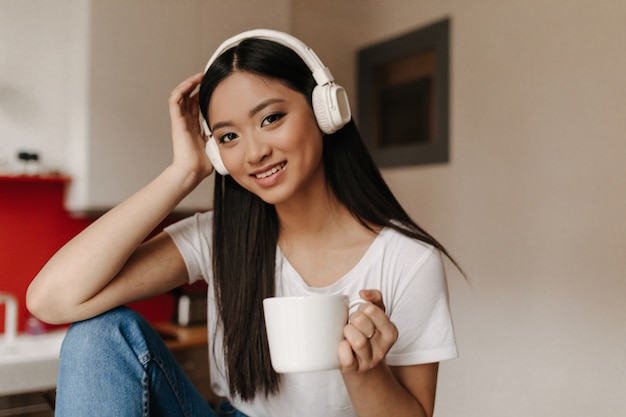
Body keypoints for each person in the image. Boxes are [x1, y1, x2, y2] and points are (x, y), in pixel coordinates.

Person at [27, 29, 458, 417]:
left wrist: (365, 371)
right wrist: (182, 173)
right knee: (98, 334)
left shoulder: (407, 260)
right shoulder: (218, 237)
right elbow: (52, 300)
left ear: (325, 111)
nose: (253, 154)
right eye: (228, 137)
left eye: (271, 118)